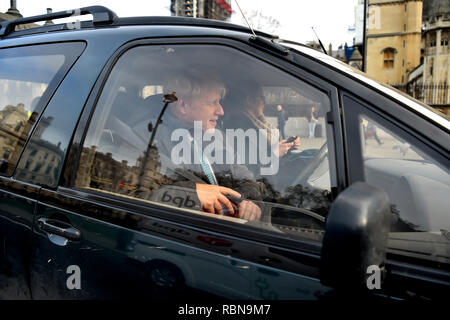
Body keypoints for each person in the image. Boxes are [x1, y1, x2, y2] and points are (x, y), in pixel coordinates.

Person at [150, 73, 262, 221]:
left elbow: (246, 178)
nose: (221, 111)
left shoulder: (216, 136)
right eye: (212, 103)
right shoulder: (149, 138)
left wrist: (249, 201)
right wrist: (192, 193)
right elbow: (140, 194)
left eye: (219, 103)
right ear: (183, 105)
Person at [223, 84, 301, 180]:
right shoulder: (238, 128)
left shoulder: (254, 123)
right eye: (262, 98)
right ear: (249, 100)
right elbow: (248, 169)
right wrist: (274, 154)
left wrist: (286, 146)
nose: (265, 102)